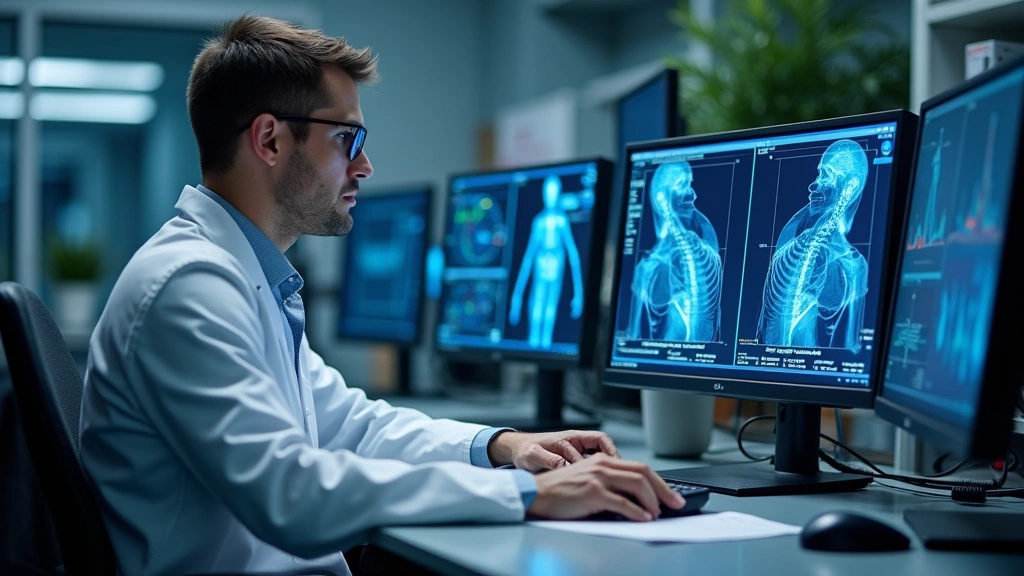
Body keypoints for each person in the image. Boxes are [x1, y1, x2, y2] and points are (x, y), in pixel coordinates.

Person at [80, 15, 684, 576]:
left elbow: (353, 426)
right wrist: (527, 493)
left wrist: (502, 446)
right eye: (348, 138)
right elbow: (290, 495)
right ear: (269, 140)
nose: (365, 165)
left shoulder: (243, 278)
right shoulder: (190, 287)